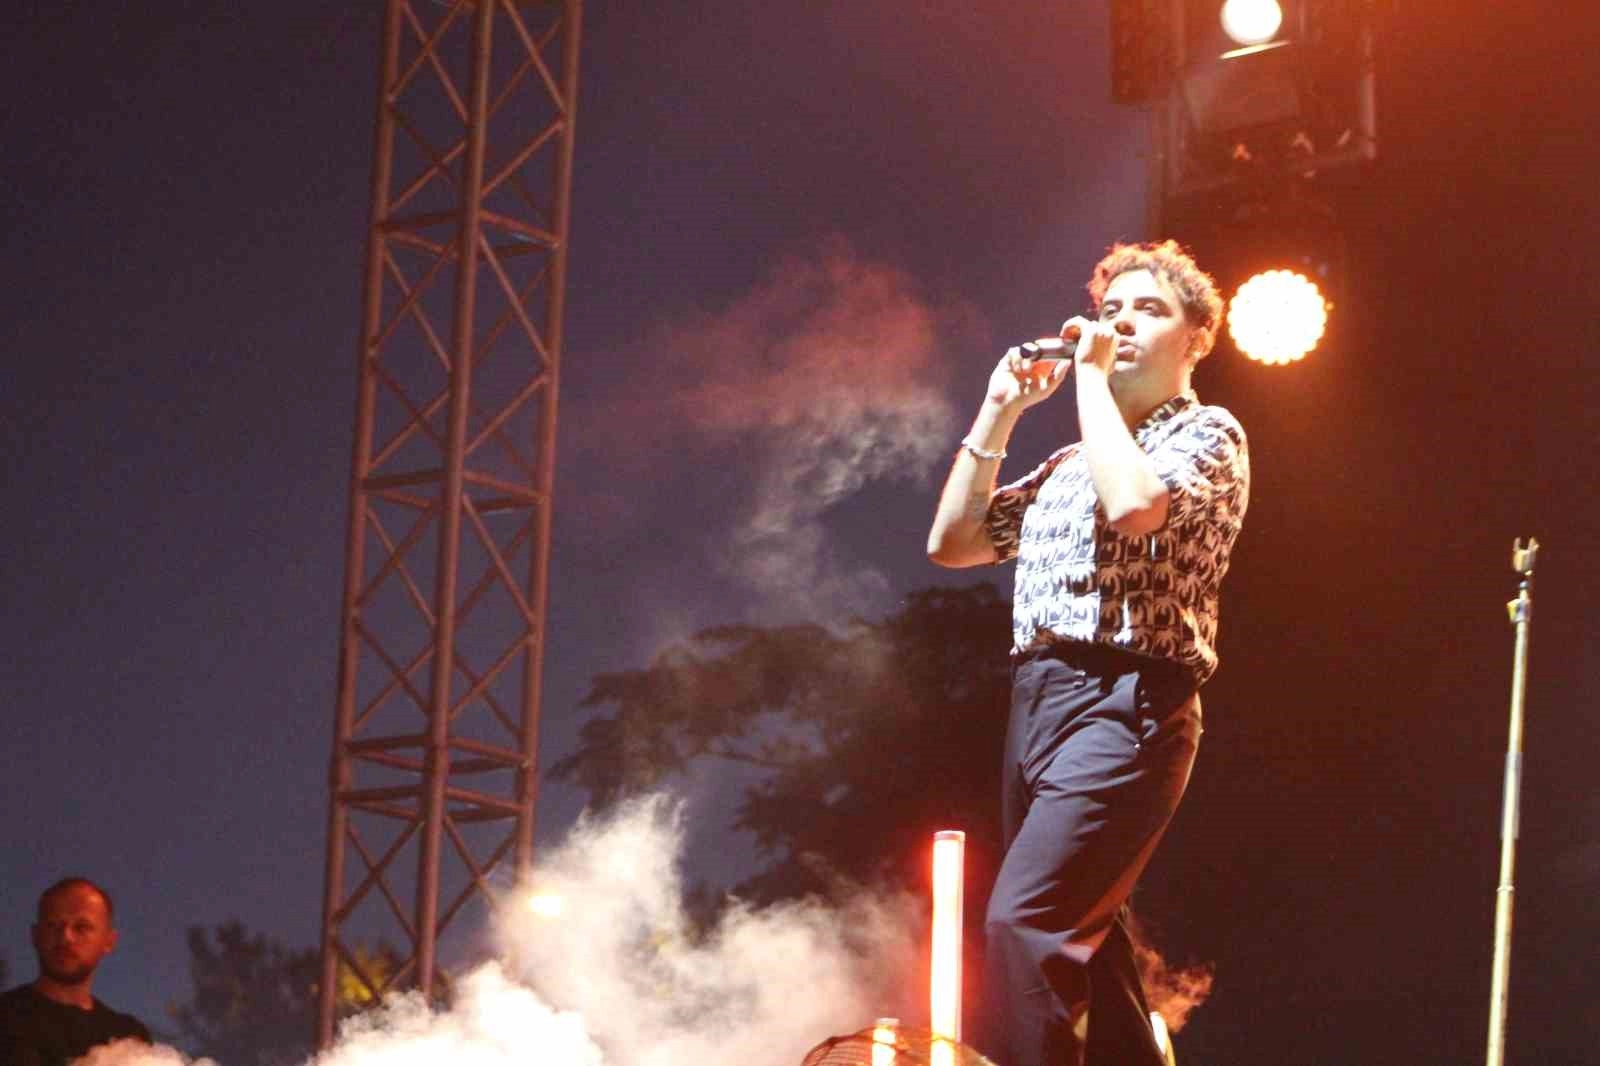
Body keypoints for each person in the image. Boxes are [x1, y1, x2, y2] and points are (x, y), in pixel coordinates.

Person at [926, 240, 1249, 1066]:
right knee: (1092, 954)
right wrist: (999, 412)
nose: (1123, 323)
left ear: (1196, 339)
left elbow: (1135, 505)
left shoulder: (1209, 434)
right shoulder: (1070, 462)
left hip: (1127, 702)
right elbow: (954, 543)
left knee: (1026, 925)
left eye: (1149, 310)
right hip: (1038, 704)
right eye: (1111, 311)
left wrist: (1094, 386)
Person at [0, 878, 151, 1066]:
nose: (66, 937)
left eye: (81, 927)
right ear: (35, 935)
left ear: (109, 941)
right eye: (53, 925)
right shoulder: (5, 1018)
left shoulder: (128, 1037)